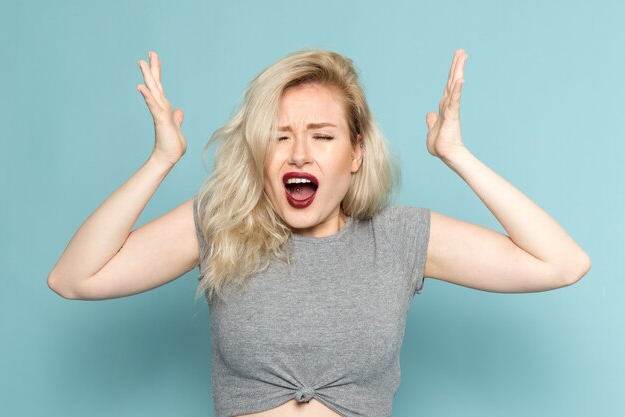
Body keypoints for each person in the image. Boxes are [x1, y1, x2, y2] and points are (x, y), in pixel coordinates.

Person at [47, 48, 591, 417]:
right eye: (279, 136)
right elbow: (74, 278)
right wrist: (161, 160)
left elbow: (562, 263)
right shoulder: (221, 225)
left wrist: (457, 154)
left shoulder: (397, 238)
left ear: (356, 153)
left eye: (322, 136)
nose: (299, 153)